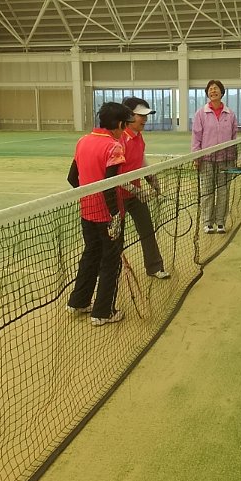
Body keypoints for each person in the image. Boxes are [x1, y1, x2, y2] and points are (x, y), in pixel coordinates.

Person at [66, 101, 135, 326]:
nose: (125, 129)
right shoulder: (114, 147)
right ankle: (103, 312)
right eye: (125, 124)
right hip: (107, 215)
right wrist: (114, 216)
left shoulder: (82, 141)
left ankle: (78, 302)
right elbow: (109, 186)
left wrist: (88, 197)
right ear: (119, 124)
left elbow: (72, 178)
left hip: (87, 212)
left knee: (91, 255)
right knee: (110, 262)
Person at [119, 96, 170, 280]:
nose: (145, 119)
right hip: (116, 197)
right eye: (141, 115)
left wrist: (153, 181)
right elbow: (115, 176)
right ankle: (111, 272)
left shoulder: (138, 137)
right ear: (128, 116)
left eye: (146, 115)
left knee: (147, 229)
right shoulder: (119, 139)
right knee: (115, 238)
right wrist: (137, 191)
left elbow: (141, 160)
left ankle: (154, 267)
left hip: (134, 194)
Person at [191, 79, 237, 234]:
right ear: (207, 93)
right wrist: (196, 157)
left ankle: (220, 222)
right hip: (206, 159)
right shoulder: (201, 113)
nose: (213, 91)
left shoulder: (230, 114)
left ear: (222, 92)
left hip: (226, 159)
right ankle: (207, 222)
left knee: (223, 191)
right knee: (207, 191)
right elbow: (196, 137)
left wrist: (233, 157)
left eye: (216, 88)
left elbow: (234, 137)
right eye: (210, 89)